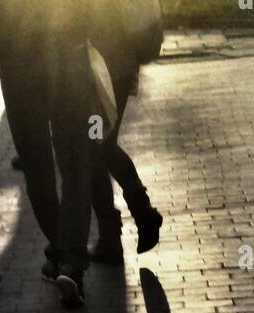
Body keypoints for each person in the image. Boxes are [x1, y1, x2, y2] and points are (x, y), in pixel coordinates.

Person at [0, 0, 94, 308]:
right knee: (75, 162)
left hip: (19, 63)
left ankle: (63, 254)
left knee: (36, 164)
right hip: (68, 57)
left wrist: (2, 43)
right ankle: (70, 259)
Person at [86, 0, 163, 264]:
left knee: (96, 146)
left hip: (101, 68)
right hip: (116, 63)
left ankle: (114, 233)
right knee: (100, 145)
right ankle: (140, 216)